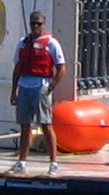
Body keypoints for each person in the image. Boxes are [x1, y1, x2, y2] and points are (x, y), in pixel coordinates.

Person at [9, 10, 68, 176]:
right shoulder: (23, 43)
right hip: (24, 85)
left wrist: (52, 85)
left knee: (46, 124)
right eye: (33, 24)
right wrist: (13, 91)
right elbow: (17, 68)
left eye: (39, 24)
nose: (36, 27)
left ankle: (53, 163)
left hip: (41, 85)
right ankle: (22, 162)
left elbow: (62, 68)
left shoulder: (52, 43)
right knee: (24, 125)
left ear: (44, 24)